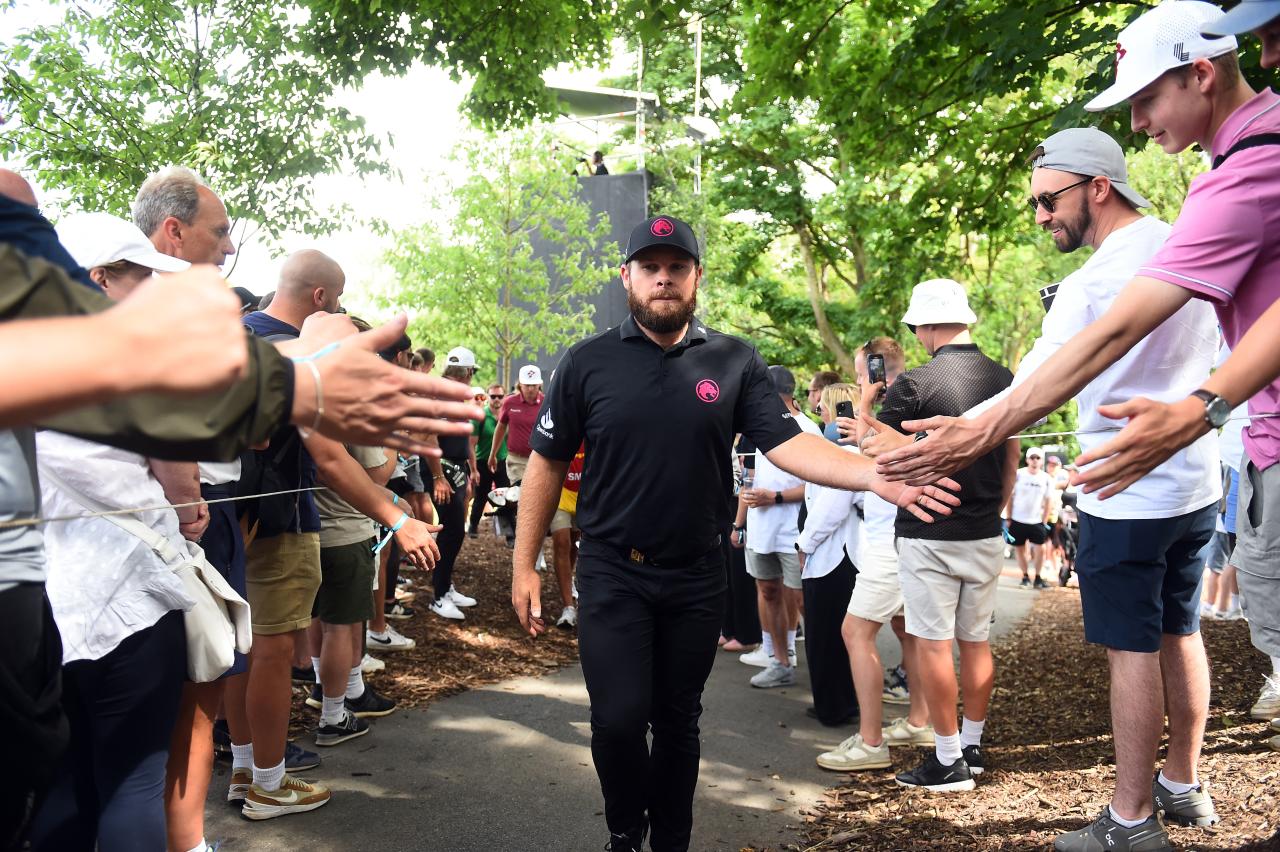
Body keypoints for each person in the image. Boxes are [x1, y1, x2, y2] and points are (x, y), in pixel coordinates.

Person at [872, 29, 1248, 842]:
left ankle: (1130, 818)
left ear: (1100, 188)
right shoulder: (1187, 237)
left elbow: (1033, 384)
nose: (1042, 215)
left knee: (1131, 652)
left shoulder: (1094, 286)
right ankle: (1183, 783)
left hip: (1125, 490)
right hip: (1197, 486)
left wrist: (961, 434)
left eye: (1050, 200)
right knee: (1182, 631)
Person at [509, 214, 961, 852]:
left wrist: (875, 477)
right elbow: (547, 464)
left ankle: (669, 839)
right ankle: (623, 832)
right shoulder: (587, 362)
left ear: (696, 277)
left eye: (676, 267)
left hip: (696, 573)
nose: (662, 279)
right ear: (627, 278)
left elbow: (792, 443)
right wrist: (523, 564)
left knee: (676, 720)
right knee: (616, 720)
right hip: (613, 569)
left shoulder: (733, 359)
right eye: (649, 267)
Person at [233, 250, 443, 821]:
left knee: (239, 653)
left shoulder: (239, 334)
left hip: (227, 521)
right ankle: (268, 784)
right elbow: (329, 455)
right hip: (280, 522)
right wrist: (398, 517)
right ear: (322, 299)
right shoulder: (313, 354)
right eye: (341, 302)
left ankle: (245, 767)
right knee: (272, 653)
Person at [24, 214, 200, 852]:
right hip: (127, 596)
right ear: (98, 277)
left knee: (60, 781)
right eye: (142, 277)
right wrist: (190, 510)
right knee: (133, 780)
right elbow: (179, 473)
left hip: (32, 605)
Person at [131, 167, 258, 852]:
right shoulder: (178, 315)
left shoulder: (114, 308)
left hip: (172, 516)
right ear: (173, 233)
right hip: (193, 516)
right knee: (196, 695)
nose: (229, 246)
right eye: (220, 231)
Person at [863, 278, 1016, 794]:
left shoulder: (915, 384)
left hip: (929, 531)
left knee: (932, 643)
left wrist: (865, 407)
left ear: (926, 326)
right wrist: (996, 504)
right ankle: (971, 746)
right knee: (975, 642)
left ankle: (947, 760)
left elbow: (875, 450)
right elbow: (1011, 453)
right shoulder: (1005, 377)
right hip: (984, 530)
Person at [740, 366, 824, 689]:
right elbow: (749, 478)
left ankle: (823, 665)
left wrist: (773, 497)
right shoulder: (759, 428)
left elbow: (817, 485)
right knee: (767, 590)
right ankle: (778, 660)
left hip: (796, 532)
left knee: (801, 599)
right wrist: (741, 520)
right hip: (761, 531)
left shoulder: (808, 431)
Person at [795, 383, 859, 727]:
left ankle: (835, 706)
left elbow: (832, 506)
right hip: (833, 554)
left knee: (827, 636)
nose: (818, 413)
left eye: (821, 408)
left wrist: (804, 544)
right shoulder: (838, 446)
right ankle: (836, 701)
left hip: (834, 555)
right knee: (831, 635)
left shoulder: (843, 449)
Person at [423, 348, 480, 620]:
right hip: (442, 469)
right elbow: (429, 436)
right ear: (469, 372)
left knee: (456, 531)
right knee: (451, 530)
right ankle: (438, 594)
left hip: (456, 469)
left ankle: (445, 585)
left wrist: (469, 472)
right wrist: (438, 478)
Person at [490, 364, 545, 545]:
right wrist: (493, 454)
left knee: (538, 501)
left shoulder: (547, 402)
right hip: (516, 460)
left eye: (534, 385)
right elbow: (501, 427)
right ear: (520, 385)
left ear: (540, 385)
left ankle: (535, 542)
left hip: (540, 459)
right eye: (527, 385)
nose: (530, 389)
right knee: (523, 497)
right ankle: (524, 540)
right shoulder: (510, 402)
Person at [469, 383, 514, 539]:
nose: (496, 399)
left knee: (508, 497)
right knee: (481, 496)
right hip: (483, 461)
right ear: (487, 397)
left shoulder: (509, 415)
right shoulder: (480, 416)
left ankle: (510, 533)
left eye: (500, 396)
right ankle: (473, 526)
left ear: (505, 397)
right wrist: (473, 469)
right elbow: (471, 444)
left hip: (503, 461)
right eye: (493, 396)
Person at [1006, 447, 1054, 589]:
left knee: (1041, 549)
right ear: (1027, 459)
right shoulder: (1018, 474)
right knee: (1020, 550)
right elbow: (1010, 496)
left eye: (1038, 458)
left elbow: (1049, 500)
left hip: (1037, 521)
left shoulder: (1046, 478)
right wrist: (1009, 517)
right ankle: (1025, 576)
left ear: (1041, 461)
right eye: (1032, 457)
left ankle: (1038, 577)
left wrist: (1044, 520)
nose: (1035, 460)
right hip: (1018, 519)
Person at [551, 443, 586, 629]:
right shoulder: (563, 419)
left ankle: (568, 581)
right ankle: (568, 608)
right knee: (562, 542)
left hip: (584, 493)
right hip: (560, 492)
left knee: (575, 543)